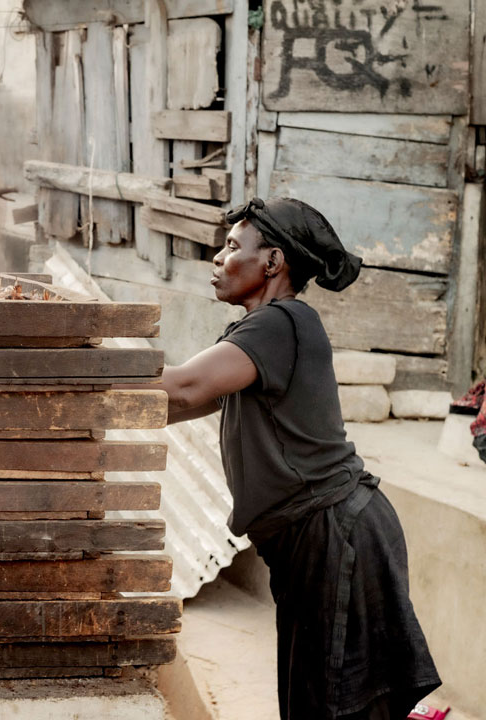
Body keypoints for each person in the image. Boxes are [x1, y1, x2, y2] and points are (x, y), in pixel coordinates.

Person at [133, 197, 441, 719]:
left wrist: (77, 361)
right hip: (320, 537)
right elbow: (170, 402)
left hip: (334, 535)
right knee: (318, 703)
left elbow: (183, 387)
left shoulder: (282, 323)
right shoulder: (263, 335)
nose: (217, 258)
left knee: (328, 706)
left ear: (272, 262)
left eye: (232, 246)